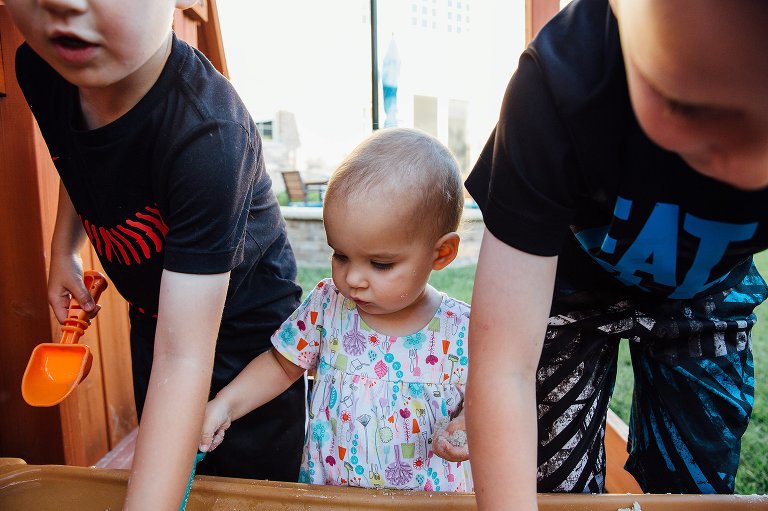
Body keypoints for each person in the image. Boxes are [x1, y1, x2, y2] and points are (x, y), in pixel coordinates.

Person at [464, 0, 768, 509]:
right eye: (687, 106)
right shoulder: (555, 87)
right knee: (551, 472)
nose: (739, 161)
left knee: (695, 477)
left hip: (708, 289)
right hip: (569, 276)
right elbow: (503, 368)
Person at [6, 1, 306, 509]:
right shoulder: (42, 68)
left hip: (249, 337)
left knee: (252, 490)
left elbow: (185, 356)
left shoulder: (208, 136)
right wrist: (64, 250)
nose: (61, 2)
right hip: (157, 319)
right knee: (166, 458)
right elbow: (77, 162)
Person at [199, 127, 473, 491]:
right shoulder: (329, 305)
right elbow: (281, 364)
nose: (354, 278)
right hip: (333, 496)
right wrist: (225, 405)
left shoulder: (461, 330)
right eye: (341, 255)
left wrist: (468, 426)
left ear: (441, 254)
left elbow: (489, 399)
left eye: (380, 264)